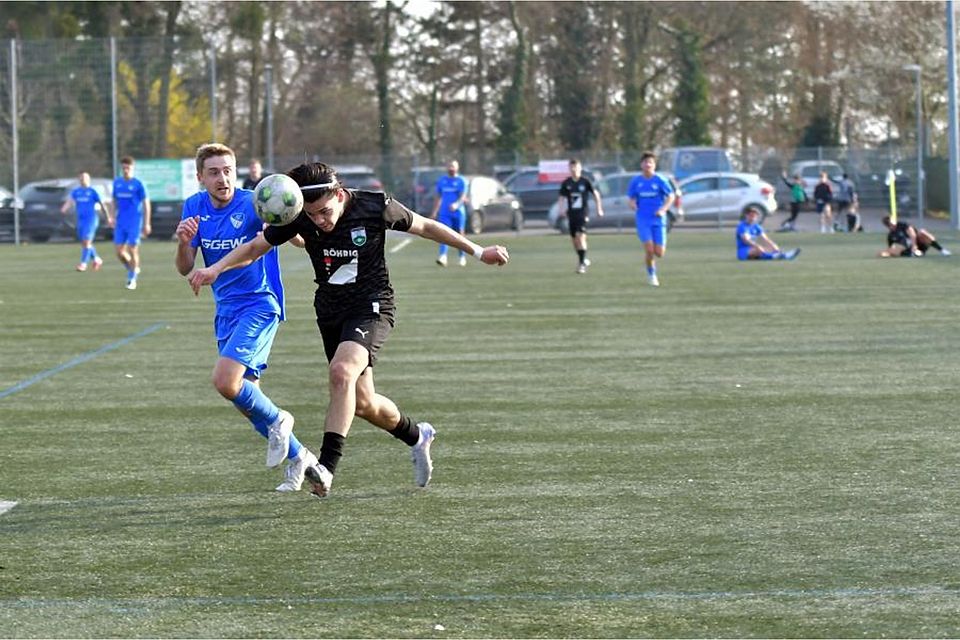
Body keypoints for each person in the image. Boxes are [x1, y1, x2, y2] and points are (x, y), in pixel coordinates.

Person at [188, 162, 510, 499]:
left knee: (341, 373)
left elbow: (427, 226)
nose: (320, 221)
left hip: (371, 305)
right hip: (330, 309)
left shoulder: (374, 206)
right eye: (312, 215)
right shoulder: (298, 213)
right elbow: (256, 247)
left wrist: (478, 251)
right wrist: (215, 269)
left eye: (325, 211)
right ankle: (417, 435)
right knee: (363, 403)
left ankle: (326, 467)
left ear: (340, 194)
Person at [175, 143, 317, 493]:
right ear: (200, 177)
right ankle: (302, 458)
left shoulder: (258, 200)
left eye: (227, 170)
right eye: (213, 172)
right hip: (225, 310)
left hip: (259, 303)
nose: (222, 178)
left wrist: (286, 221)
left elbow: (297, 241)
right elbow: (185, 268)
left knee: (225, 380)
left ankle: (282, 420)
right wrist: (183, 243)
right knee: (243, 396)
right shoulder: (194, 207)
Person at [627, 152, 675, 287]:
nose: (648, 165)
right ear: (641, 165)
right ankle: (652, 275)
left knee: (659, 253)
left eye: (650, 162)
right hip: (643, 219)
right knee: (649, 250)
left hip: (658, 220)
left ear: (654, 165)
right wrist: (632, 204)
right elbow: (631, 198)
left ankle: (652, 265)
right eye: (645, 162)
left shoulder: (660, 180)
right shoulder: (636, 181)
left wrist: (663, 209)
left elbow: (671, 196)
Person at [110, 156, 151, 289]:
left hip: (134, 222)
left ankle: (132, 278)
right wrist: (111, 216)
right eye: (123, 168)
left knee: (132, 250)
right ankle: (132, 268)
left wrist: (146, 223)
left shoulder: (138, 184)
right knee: (119, 252)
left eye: (128, 168)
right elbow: (113, 201)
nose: (126, 170)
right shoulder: (117, 183)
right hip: (121, 222)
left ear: (132, 168)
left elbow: (146, 203)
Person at [557, 158, 604, 274]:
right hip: (571, 215)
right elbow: (561, 197)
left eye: (576, 167)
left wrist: (599, 209)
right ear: (569, 168)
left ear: (580, 168)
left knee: (580, 236)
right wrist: (561, 210)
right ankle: (582, 258)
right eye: (571, 167)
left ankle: (581, 264)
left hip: (583, 214)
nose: (573, 169)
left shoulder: (585, 181)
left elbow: (596, 194)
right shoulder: (566, 183)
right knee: (574, 241)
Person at [60, 172, 105, 272]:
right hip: (81, 220)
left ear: (88, 179)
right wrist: (64, 209)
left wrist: (108, 216)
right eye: (81, 178)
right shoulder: (76, 192)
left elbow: (101, 203)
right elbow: (70, 201)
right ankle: (97, 259)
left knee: (87, 241)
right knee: (85, 243)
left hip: (91, 219)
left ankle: (83, 264)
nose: (82, 180)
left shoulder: (93, 191)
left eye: (84, 178)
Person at [429, 159, 468, 266]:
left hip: (458, 212)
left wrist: (456, 205)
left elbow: (463, 196)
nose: (451, 168)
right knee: (443, 233)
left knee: (459, 234)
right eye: (449, 166)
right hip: (444, 212)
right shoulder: (442, 181)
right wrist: (434, 212)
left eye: (453, 166)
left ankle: (462, 256)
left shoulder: (462, 181)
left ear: (457, 168)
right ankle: (443, 256)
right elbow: (438, 197)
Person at [736, 206, 800, 261]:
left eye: (754, 216)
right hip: (743, 251)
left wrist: (774, 246)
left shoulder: (756, 226)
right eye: (751, 215)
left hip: (753, 249)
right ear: (746, 215)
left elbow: (765, 239)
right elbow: (746, 240)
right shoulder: (742, 226)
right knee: (758, 250)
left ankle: (778, 255)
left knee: (768, 249)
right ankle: (781, 256)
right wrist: (758, 246)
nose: (753, 217)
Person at [878, 216, 951, 257]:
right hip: (910, 250)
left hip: (919, 244)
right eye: (889, 224)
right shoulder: (891, 235)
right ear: (887, 226)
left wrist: (914, 245)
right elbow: (891, 248)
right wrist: (885, 253)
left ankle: (942, 250)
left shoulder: (903, 225)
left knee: (922, 232)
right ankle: (915, 254)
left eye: (892, 222)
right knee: (886, 252)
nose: (892, 225)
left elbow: (912, 234)